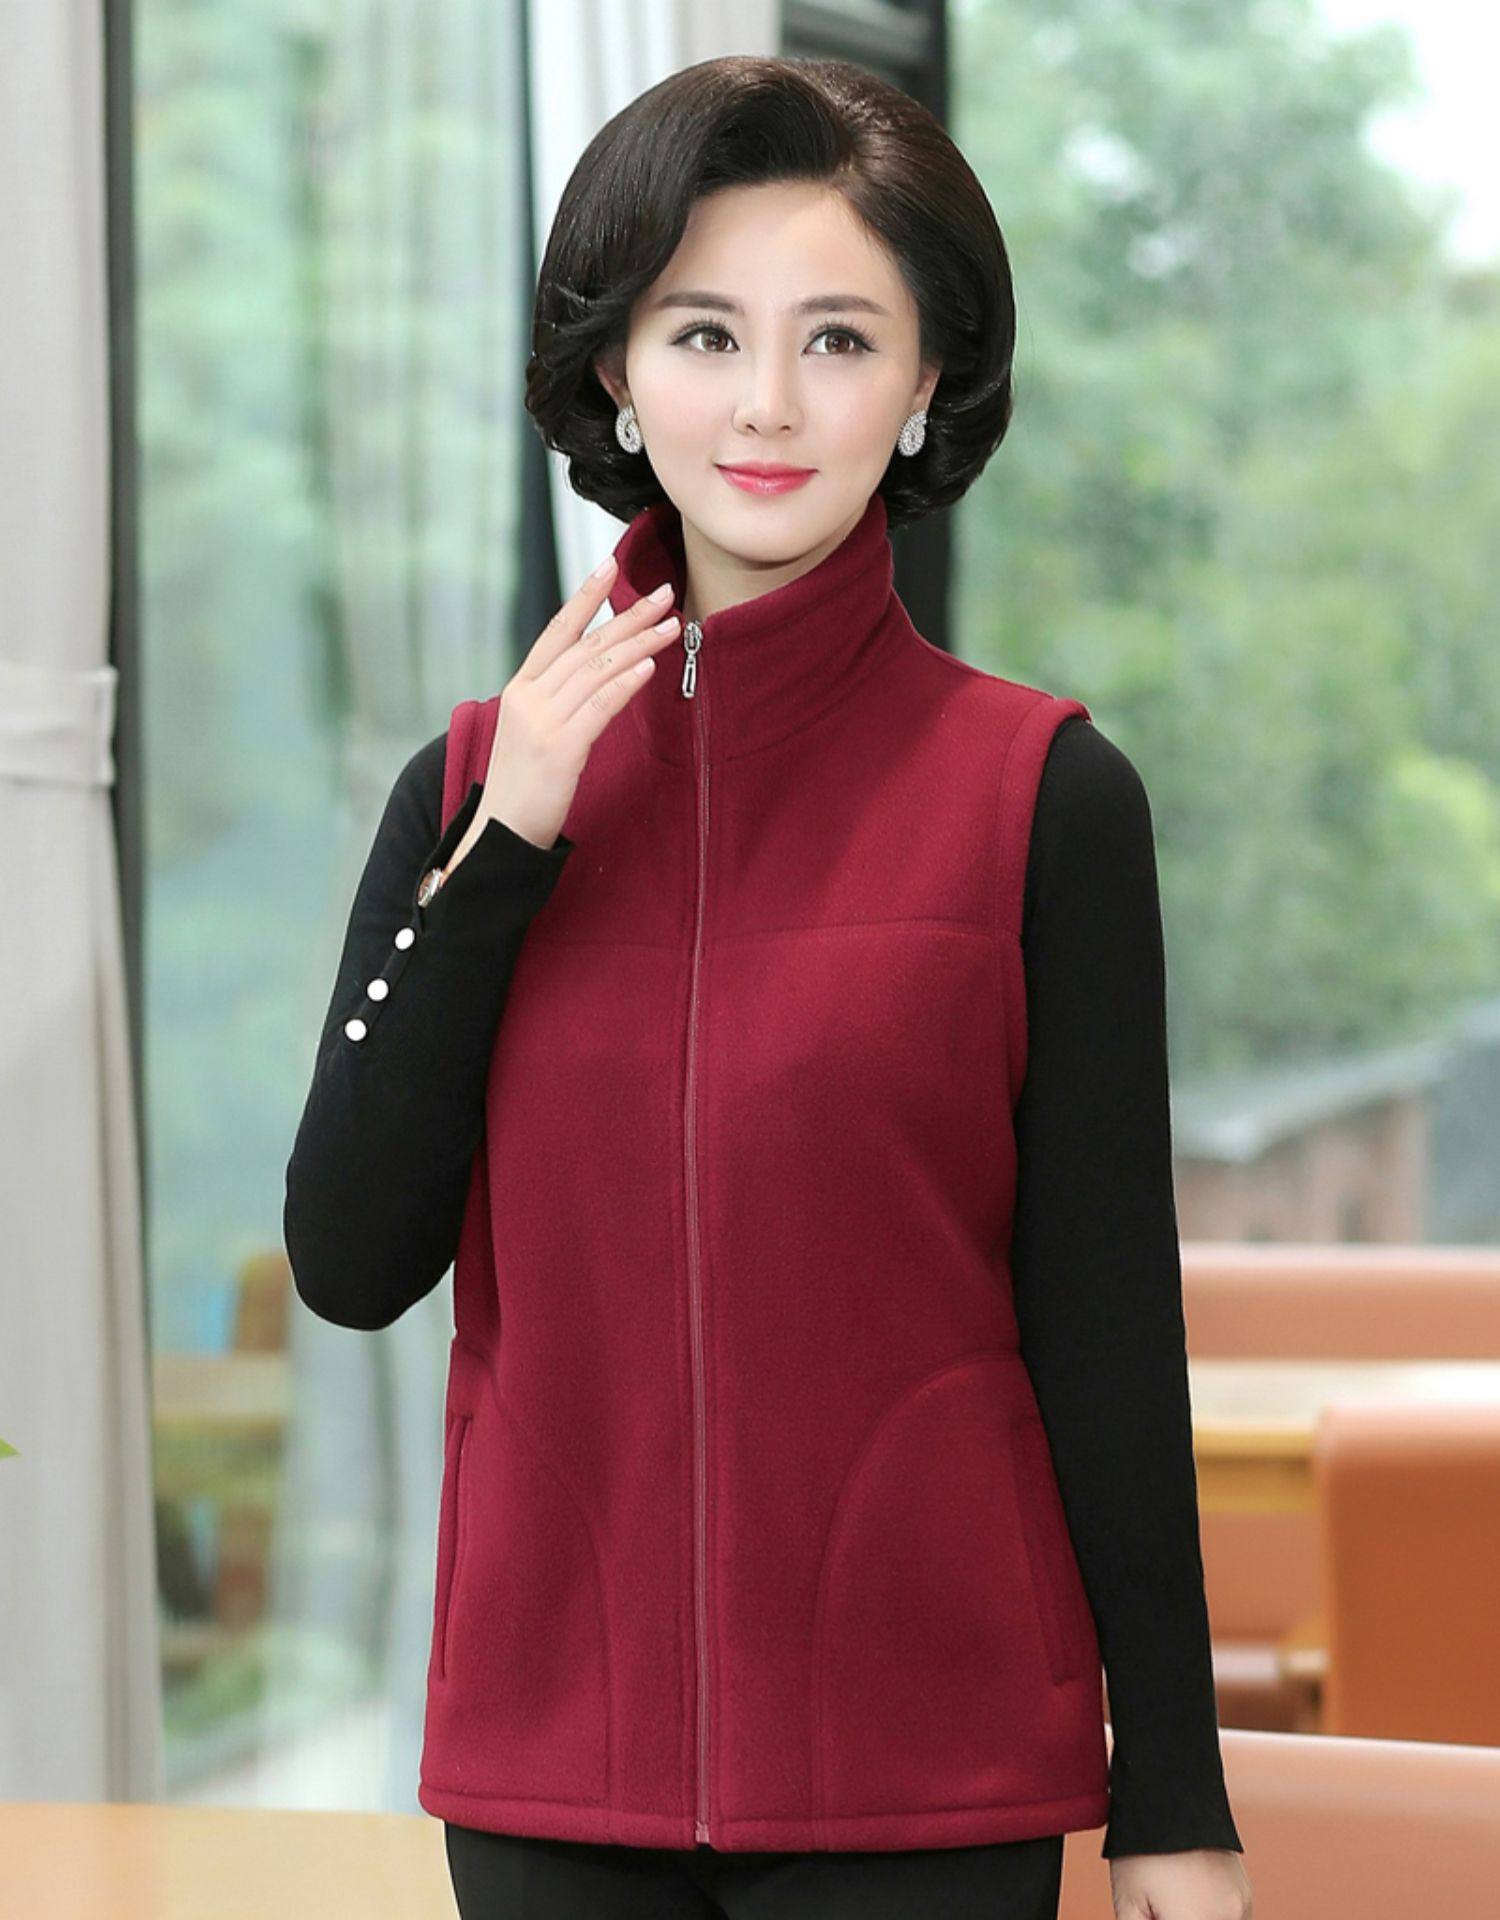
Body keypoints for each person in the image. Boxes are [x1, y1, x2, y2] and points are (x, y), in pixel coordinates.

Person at [285, 53, 1254, 1920]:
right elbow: (349, 1254)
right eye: (706, 334)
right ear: (617, 375)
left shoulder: (1043, 796)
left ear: (925, 383)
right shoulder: (474, 788)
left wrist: (1175, 1797)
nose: (767, 405)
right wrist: (513, 844)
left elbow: (1109, 1325)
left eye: (839, 340)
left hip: (932, 1780)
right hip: (553, 1772)